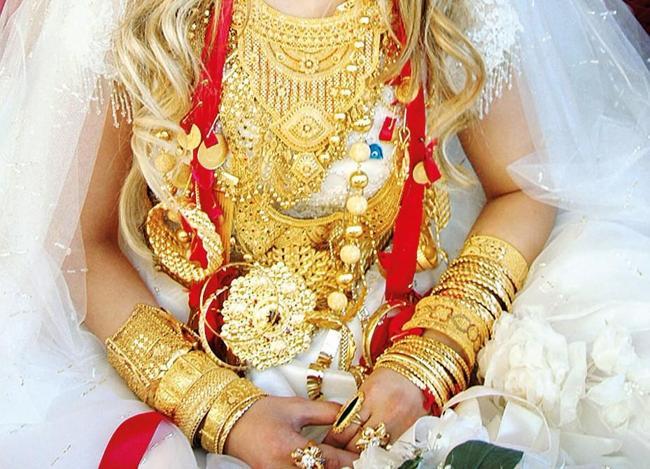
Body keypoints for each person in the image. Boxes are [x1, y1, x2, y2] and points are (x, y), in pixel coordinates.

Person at [0, 0, 648, 468]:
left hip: (410, 346)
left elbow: (523, 189)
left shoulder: (447, 11)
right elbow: (77, 244)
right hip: (186, 345)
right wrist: (219, 409)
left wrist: (430, 359)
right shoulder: (134, 15)